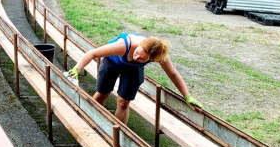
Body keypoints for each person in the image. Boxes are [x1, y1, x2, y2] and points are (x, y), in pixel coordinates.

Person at [67, 33, 202, 124]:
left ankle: (118, 134)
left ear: (153, 59)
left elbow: (173, 74)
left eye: (143, 58)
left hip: (132, 69)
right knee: (102, 94)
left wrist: (187, 96)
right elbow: (93, 53)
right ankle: (91, 122)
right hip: (112, 63)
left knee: (123, 103)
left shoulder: (159, 56)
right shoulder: (124, 46)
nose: (137, 58)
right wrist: (77, 69)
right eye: (138, 53)